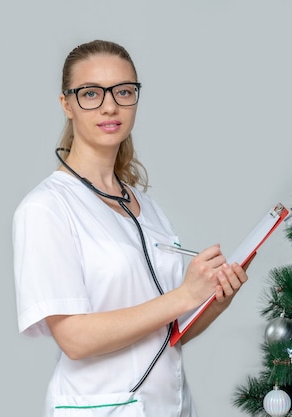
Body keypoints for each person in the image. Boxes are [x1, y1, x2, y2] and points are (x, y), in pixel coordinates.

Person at [13, 39, 249, 417]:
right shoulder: (47, 208)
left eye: (124, 91)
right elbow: (74, 338)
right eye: (91, 93)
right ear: (66, 104)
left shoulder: (146, 206)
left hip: (171, 406)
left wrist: (214, 301)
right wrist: (185, 296)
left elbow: (168, 331)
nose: (110, 106)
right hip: (100, 408)